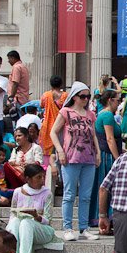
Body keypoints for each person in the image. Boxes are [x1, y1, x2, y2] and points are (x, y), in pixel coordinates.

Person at [50, 81, 100, 242]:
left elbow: (93, 136)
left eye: (87, 96)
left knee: (86, 195)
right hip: (70, 157)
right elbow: (53, 132)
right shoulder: (65, 112)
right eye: (82, 96)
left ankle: (84, 227)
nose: (85, 99)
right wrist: (59, 151)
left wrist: (98, 152)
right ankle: (67, 227)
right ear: (75, 97)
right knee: (69, 194)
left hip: (89, 157)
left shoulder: (91, 115)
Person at [7, 163, 63, 253]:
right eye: (38, 177)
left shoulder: (47, 193)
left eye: (43, 177)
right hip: (21, 229)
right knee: (15, 222)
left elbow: (48, 220)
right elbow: (12, 215)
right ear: (28, 179)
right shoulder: (17, 192)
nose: (42, 180)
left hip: (42, 231)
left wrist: (36, 216)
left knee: (26, 222)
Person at [89, 88, 122, 229]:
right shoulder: (107, 115)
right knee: (107, 186)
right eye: (117, 100)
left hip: (104, 154)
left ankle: (98, 215)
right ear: (110, 100)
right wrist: (118, 158)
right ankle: (104, 216)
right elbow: (110, 138)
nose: (119, 103)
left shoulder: (101, 114)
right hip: (108, 156)